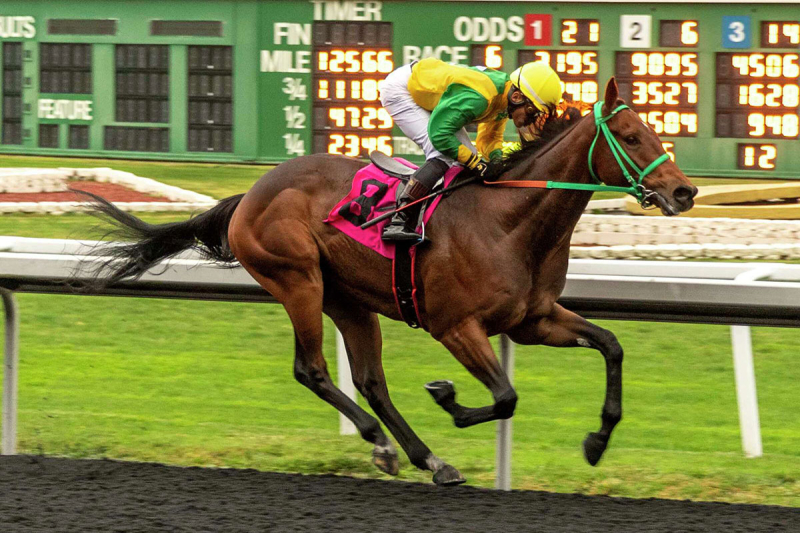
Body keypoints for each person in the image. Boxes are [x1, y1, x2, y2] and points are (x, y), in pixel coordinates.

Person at [378, 58, 563, 242]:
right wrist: (477, 164)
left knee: (468, 158)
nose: (529, 121)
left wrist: (496, 163)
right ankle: (399, 219)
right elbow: (440, 134)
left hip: (425, 89)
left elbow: (489, 139)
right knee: (442, 154)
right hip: (402, 91)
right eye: (531, 111)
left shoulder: (504, 95)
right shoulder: (482, 96)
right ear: (517, 97)